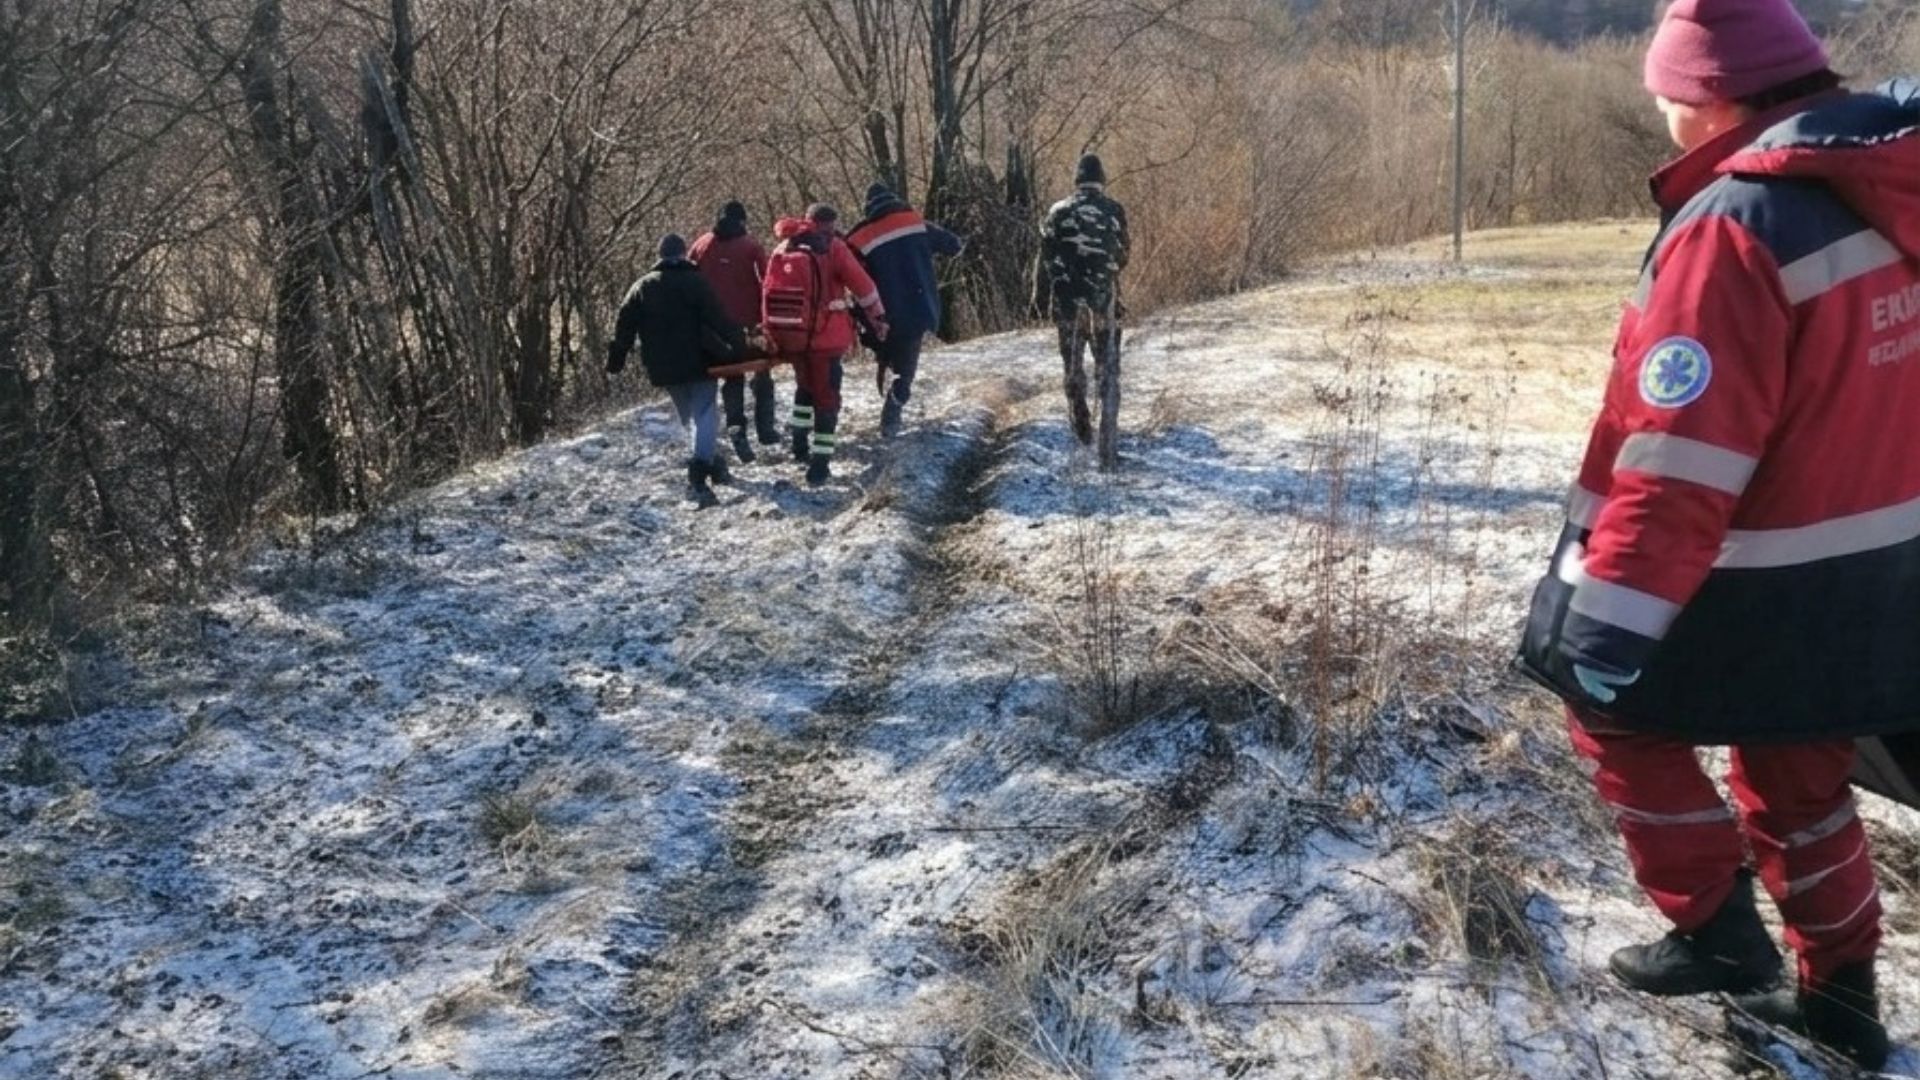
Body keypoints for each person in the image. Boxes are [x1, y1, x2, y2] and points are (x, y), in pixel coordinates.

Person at [1517, 0, 1920, 1068]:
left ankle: (1715, 933)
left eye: (1666, 88)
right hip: (1874, 571)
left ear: (1708, 95)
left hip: (1762, 571)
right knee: (1799, 775)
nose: (1657, 106)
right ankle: (1841, 995)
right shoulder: (1882, 189)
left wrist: (1601, 635)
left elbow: (1681, 462)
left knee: (1616, 723)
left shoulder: (1734, 228)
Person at [607, 233, 746, 509]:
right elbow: (718, 317)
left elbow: (624, 325)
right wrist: (739, 344)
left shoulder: (642, 286)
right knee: (705, 413)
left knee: (690, 418)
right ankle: (698, 475)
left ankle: (714, 462)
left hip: (662, 365)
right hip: (697, 360)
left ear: (659, 256)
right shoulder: (696, 282)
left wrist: (616, 360)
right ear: (684, 254)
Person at [762, 204, 887, 487]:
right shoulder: (833, 247)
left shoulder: (784, 247)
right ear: (830, 224)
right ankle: (820, 463)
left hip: (791, 335)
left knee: (804, 388)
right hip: (825, 338)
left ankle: (799, 444)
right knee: (827, 397)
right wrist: (878, 316)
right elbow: (863, 286)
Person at [846, 183, 964, 438]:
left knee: (891, 351)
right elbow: (954, 246)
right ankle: (892, 412)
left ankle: (889, 379)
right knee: (906, 369)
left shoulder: (859, 235)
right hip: (918, 306)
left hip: (878, 312)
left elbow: (844, 268)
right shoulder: (913, 222)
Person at [1035, 153, 1129, 471]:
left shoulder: (1057, 212)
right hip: (1105, 302)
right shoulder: (1114, 211)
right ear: (1101, 181)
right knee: (1108, 370)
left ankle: (1082, 426)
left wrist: (1039, 298)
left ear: (1076, 180)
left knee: (1073, 367)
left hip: (1068, 304)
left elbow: (1045, 259)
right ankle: (1107, 443)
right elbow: (1124, 254)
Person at [690, 200, 777, 463]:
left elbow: (689, 280)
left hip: (713, 328)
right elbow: (768, 281)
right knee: (763, 370)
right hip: (749, 323)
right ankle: (766, 429)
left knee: (732, 378)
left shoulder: (701, 245)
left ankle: (736, 427)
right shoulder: (750, 246)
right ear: (743, 220)